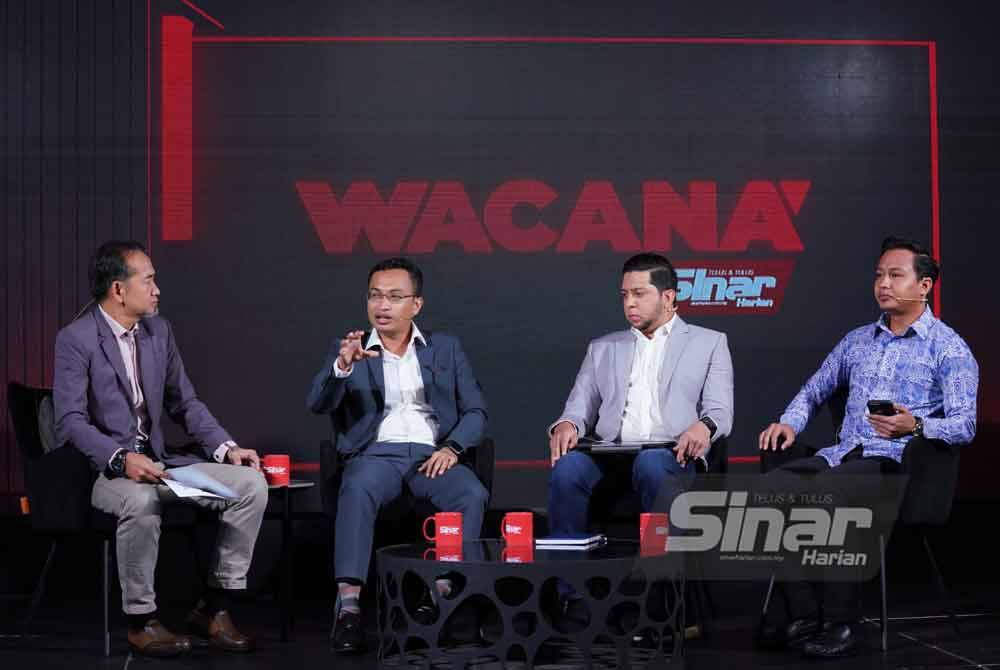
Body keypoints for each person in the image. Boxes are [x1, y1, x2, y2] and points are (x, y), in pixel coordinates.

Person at [758, 236, 978, 658]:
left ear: (925, 285)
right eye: (879, 275)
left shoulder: (948, 348)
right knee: (771, 488)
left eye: (896, 275)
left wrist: (916, 425)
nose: (883, 284)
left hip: (899, 467)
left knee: (837, 493)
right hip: (843, 455)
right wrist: (789, 422)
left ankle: (842, 621)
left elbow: (964, 425)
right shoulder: (857, 341)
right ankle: (805, 614)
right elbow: (813, 390)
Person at [54, 241, 268, 657]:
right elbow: (70, 422)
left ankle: (214, 607)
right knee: (140, 498)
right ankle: (141, 621)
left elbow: (184, 402)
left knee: (251, 485)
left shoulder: (159, 331)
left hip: (162, 462)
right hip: (106, 471)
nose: (156, 290)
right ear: (118, 289)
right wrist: (120, 459)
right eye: (148, 280)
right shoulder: (75, 339)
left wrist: (226, 448)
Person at [307, 257, 489, 654]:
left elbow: (476, 410)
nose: (382, 306)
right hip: (377, 455)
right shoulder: (351, 349)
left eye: (394, 297)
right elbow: (317, 403)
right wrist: (341, 366)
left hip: (432, 454)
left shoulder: (446, 348)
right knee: (356, 489)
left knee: (471, 493)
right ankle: (349, 608)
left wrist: (452, 448)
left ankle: (441, 596)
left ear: (416, 305)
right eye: (375, 296)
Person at [547, 252, 733, 619]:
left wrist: (704, 426)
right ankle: (571, 594)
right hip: (612, 452)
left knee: (651, 464)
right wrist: (567, 425)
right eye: (624, 294)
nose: (629, 303)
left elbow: (720, 411)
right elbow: (578, 407)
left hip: (671, 452)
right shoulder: (603, 347)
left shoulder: (709, 342)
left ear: (668, 297)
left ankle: (658, 596)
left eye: (639, 293)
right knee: (567, 471)